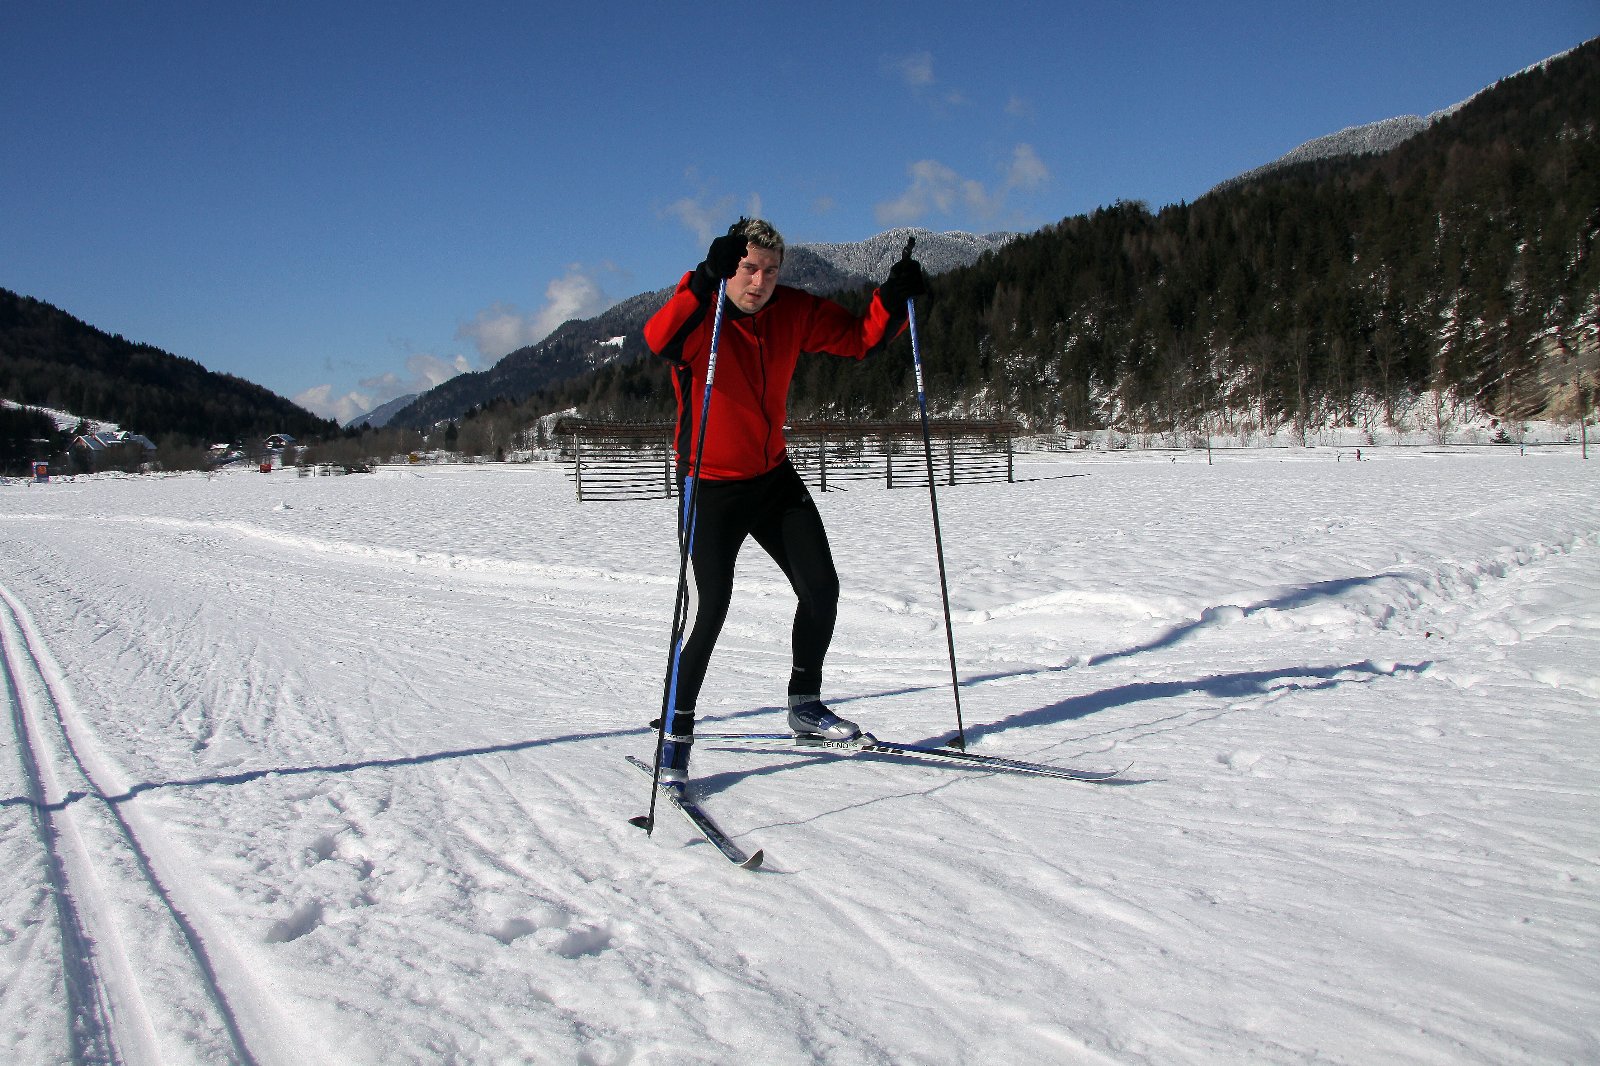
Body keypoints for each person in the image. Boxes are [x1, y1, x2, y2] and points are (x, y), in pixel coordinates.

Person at [642, 218, 928, 784]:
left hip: (771, 475)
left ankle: (804, 706)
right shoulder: (704, 309)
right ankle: (676, 734)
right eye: (749, 268)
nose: (759, 281)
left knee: (821, 587)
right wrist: (704, 280)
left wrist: (891, 299)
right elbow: (660, 340)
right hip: (710, 482)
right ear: (732, 266)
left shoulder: (793, 310)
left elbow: (859, 339)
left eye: (770, 271)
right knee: (712, 607)